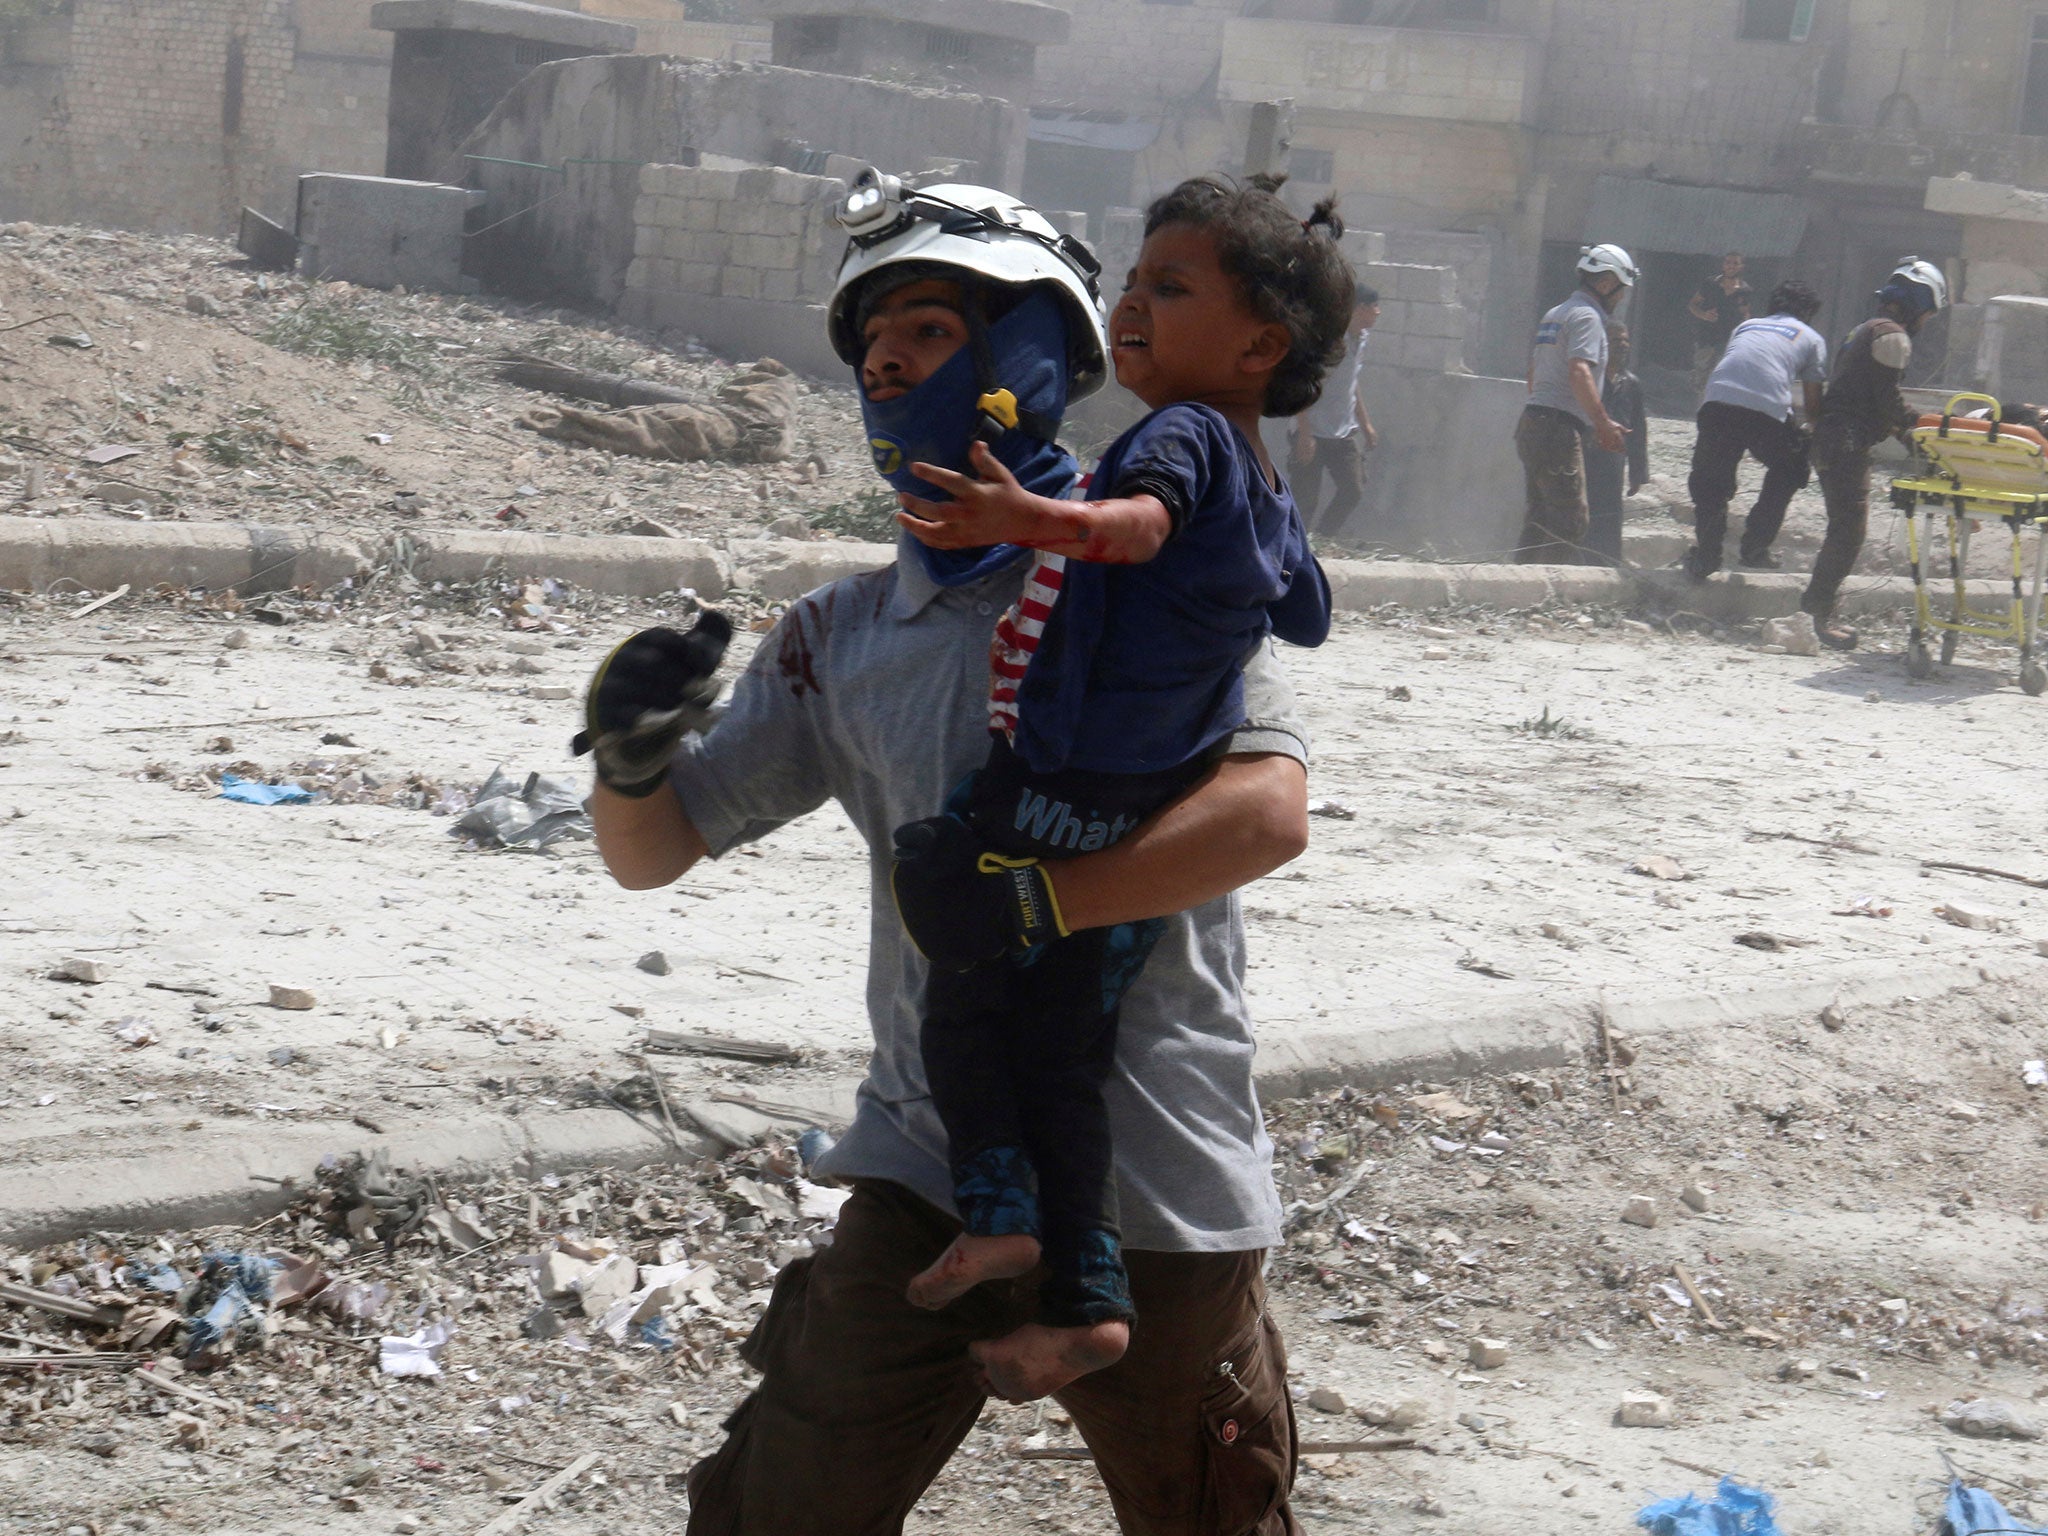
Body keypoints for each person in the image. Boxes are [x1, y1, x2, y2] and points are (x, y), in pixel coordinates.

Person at [579, 173, 1317, 1535]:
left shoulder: (1166, 565)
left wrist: (1032, 907)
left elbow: (1265, 816)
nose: (887, 368)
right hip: (932, 1166)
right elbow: (655, 852)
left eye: (928, 329)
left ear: (1037, 355)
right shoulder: (840, 637)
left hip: (1150, 1178)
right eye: (872, 347)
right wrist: (630, 759)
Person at [887, 173, 1340, 1384]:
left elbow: (1136, 528)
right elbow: (1302, 611)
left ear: (1257, 345)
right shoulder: (1260, 476)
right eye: (1132, 282)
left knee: (964, 986)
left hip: (1053, 788)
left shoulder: (1178, 435)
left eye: (1169, 287)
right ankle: (1087, 1302)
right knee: (1063, 1058)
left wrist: (1030, 514)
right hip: (1134, 812)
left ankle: (995, 1217)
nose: (1131, 304)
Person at [1801, 257, 1948, 651]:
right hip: (1846, 440)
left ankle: (1816, 611)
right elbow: (1888, 401)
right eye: (1928, 314)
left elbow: (1876, 397)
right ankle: (1817, 615)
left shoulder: (1864, 329)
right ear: (1919, 303)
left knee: (1843, 529)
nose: (1925, 323)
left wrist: (1912, 427)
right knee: (1848, 532)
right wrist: (1922, 432)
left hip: (1833, 436)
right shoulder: (1893, 337)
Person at [1681, 278, 1827, 580]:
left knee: (1710, 484)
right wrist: (1813, 437)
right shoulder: (1811, 338)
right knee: (1790, 468)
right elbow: (1813, 406)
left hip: (1718, 400)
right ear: (1809, 313)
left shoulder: (1746, 326)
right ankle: (1755, 548)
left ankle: (1706, 556)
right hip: (1766, 411)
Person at [1514, 242, 1636, 564]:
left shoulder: (1556, 313)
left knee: (1540, 517)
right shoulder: (1588, 317)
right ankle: (1547, 589)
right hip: (1557, 427)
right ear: (1607, 283)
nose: (1621, 298)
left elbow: (1533, 374)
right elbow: (1579, 370)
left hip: (1533, 420)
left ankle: (1521, 581)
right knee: (1572, 520)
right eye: (1621, 289)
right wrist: (1602, 422)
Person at [1288, 281, 1379, 539]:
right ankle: (1295, 550)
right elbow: (1304, 386)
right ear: (1359, 308)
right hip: (1312, 431)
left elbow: (1351, 381)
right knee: (1305, 500)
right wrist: (1304, 435)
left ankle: (1321, 540)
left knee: (1353, 489)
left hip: (1342, 431)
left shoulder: (1361, 339)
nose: (1378, 312)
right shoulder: (1329, 343)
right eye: (1374, 307)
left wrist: (1366, 424)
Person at [1584, 320, 1648, 565]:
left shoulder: (1631, 384)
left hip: (1613, 460)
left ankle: (1606, 562)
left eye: (1625, 341)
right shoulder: (1589, 380)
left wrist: (1638, 471)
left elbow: (1638, 430)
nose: (1622, 346)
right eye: (1615, 341)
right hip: (1588, 455)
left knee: (1609, 513)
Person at [1689, 251, 1753, 400]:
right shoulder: (1710, 284)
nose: (1731, 266)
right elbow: (1693, 304)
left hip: (1728, 340)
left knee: (1723, 377)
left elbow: (1746, 314)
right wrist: (1704, 315)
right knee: (1701, 378)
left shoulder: (1745, 291)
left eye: (1735, 263)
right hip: (1706, 338)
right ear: (1723, 265)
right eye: (1728, 262)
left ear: (1741, 266)